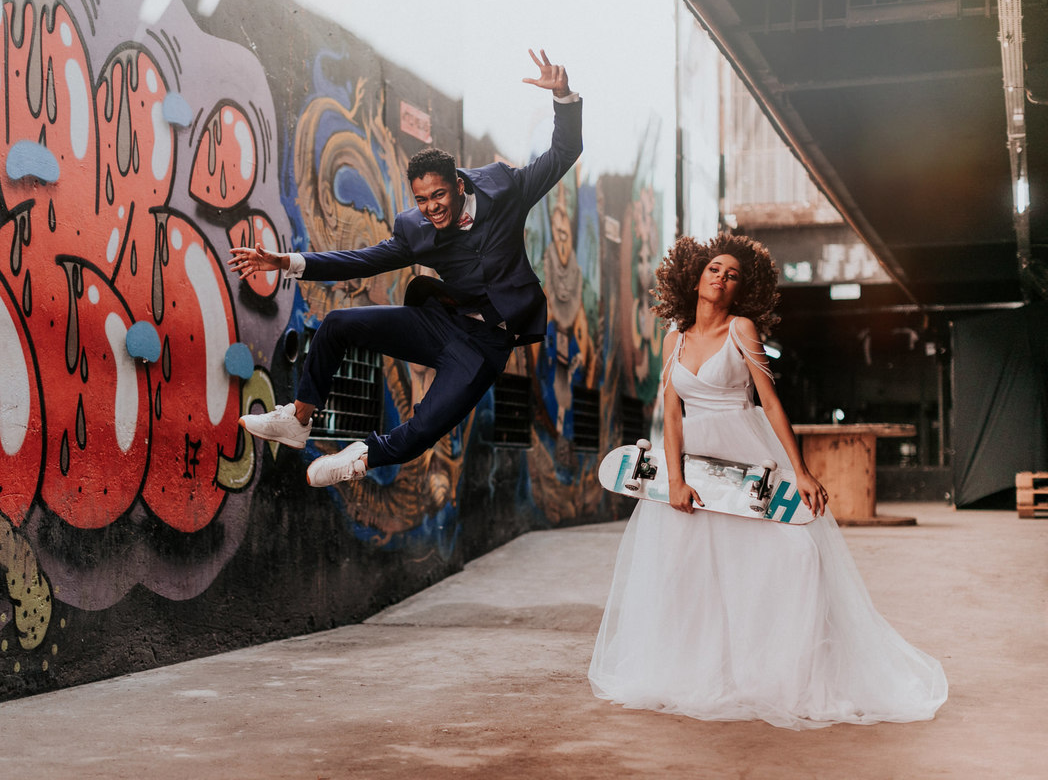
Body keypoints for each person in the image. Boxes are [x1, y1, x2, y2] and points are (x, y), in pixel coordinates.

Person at [588, 233, 948, 730]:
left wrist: (799, 470)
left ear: (740, 290)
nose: (721, 277)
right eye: (714, 268)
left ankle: (787, 677)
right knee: (691, 569)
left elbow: (770, 402)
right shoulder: (674, 337)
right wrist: (675, 479)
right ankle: (710, 673)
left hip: (746, 452)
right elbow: (671, 414)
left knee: (794, 557)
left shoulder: (742, 330)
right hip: (695, 463)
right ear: (695, 277)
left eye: (732, 274)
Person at [229, 49, 582, 487]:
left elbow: (564, 153)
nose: (431, 208)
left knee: (424, 427)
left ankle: (364, 456)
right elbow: (361, 260)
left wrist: (563, 97)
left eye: (438, 196)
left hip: (487, 344)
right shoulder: (415, 230)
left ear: (457, 185)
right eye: (421, 200)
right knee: (337, 324)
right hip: (442, 323)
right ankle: (298, 420)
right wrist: (288, 262)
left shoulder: (506, 189)